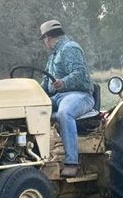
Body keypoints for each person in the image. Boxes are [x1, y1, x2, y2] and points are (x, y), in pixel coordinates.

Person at [39, 20, 94, 178]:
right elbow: (45, 83)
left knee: (65, 112)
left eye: (44, 39)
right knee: (35, 111)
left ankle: (71, 162)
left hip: (79, 95)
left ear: (48, 38)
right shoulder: (52, 57)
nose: (45, 42)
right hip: (57, 96)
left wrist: (63, 82)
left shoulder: (70, 48)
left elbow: (80, 75)